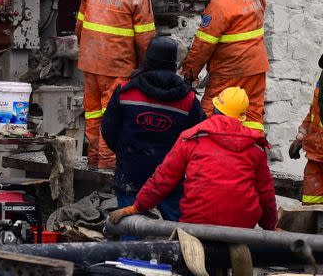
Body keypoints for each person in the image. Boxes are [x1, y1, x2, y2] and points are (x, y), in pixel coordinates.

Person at [109, 87, 277, 230]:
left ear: (214, 108)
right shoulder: (255, 146)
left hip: (197, 223)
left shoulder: (192, 137)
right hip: (242, 228)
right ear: (243, 117)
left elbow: (163, 178)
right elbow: (266, 194)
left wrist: (137, 207)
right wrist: (270, 228)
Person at [102, 36, 204, 221]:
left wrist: (125, 153)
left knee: (128, 228)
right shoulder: (188, 101)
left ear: (147, 58)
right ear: (173, 62)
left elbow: (108, 130)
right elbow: (198, 139)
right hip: (170, 177)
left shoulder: (125, 91)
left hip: (130, 172)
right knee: (178, 233)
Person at [76, 0, 156, 169]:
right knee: (112, 116)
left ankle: (93, 160)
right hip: (118, 67)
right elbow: (145, 41)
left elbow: (79, 28)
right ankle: (107, 168)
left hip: (90, 64)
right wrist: (145, 68)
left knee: (93, 114)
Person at [181, 0, 269, 131]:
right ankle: (252, 152)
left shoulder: (219, 4)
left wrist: (189, 74)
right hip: (257, 68)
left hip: (229, 71)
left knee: (210, 112)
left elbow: (203, 46)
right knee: (252, 114)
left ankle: (209, 153)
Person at [289, 55, 323, 204]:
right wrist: (299, 138)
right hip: (316, 154)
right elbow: (312, 113)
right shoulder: (321, 82)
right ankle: (315, 227)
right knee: (311, 200)